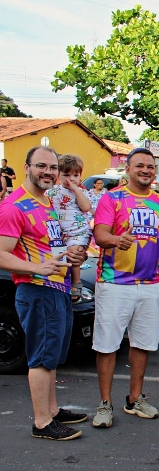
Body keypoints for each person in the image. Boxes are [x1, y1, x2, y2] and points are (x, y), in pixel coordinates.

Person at [0, 146, 87, 440]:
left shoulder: (47, 201)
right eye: (41, 166)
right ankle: (42, 423)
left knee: (51, 356)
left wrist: (73, 256)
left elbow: (50, 244)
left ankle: (52, 410)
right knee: (40, 357)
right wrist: (37, 268)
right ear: (26, 168)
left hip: (57, 288)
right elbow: (1, 253)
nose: (47, 172)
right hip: (37, 289)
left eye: (52, 167)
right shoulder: (14, 206)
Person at [91, 148, 159, 428]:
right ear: (127, 169)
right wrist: (116, 240)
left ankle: (135, 399)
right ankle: (105, 403)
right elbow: (99, 234)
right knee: (107, 345)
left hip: (149, 285)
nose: (146, 170)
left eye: (150, 166)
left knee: (142, 344)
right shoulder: (111, 198)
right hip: (114, 283)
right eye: (140, 166)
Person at [46, 155, 93, 302]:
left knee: (74, 253)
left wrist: (76, 189)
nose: (71, 179)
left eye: (75, 175)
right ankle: (61, 282)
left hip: (78, 232)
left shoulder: (83, 193)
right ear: (58, 175)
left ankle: (76, 282)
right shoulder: (52, 191)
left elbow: (86, 207)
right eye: (66, 175)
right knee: (60, 257)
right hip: (59, 233)